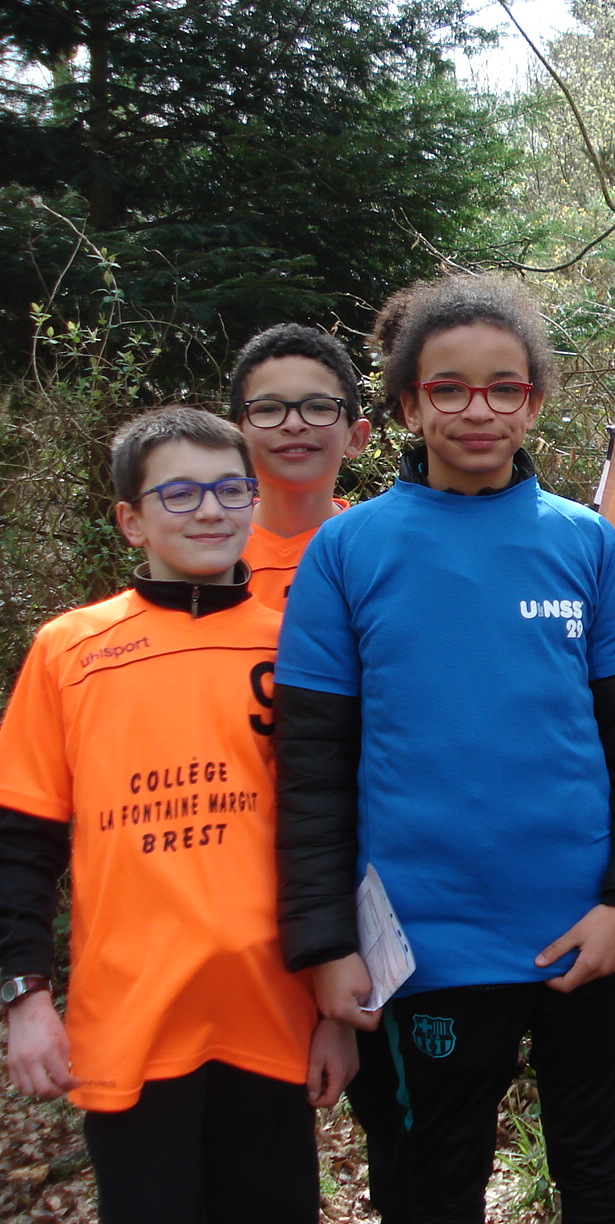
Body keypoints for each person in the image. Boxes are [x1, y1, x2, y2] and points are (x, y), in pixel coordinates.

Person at [272, 273, 615, 1224]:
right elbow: (312, 773)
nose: (478, 410)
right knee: (431, 1187)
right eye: (449, 389)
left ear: (533, 402)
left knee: (597, 1177)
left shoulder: (588, 545)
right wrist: (326, 946)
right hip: (425, 948)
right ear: (410, 406)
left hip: (588, 933)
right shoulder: (347, 552)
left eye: (504, 388)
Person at [0, 406, 354, 1224]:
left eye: (232, 489)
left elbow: (338, 833)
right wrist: (25, 996)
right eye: (181, 493)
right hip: (129, 1020)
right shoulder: (68, 651)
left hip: (273, 1012)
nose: (210, 510)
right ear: (132, 520)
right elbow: (23, 840)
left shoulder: (299, 646)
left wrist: (338, 1016)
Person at [227, 323, 372, 611]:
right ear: (235, 438)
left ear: (355, 437)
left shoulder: (379, 550)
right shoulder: (208, 549)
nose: (294, 425)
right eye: (268, 408)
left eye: (318, 407)